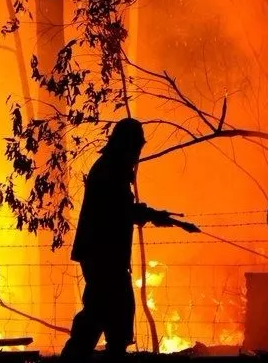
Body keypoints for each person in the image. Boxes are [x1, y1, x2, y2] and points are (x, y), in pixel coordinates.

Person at [60, 117, 195, 361]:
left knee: (109, 310)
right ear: (127, 145)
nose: (137, 154)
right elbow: (120, 210)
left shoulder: (110, 166)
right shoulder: (111, 170)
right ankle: (77, 358)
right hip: (102, 255)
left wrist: (155, 215)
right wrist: (154, 215)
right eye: (136, 147)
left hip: (103, 254)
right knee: (105, 309)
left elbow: (122, 208)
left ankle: (97, 355)